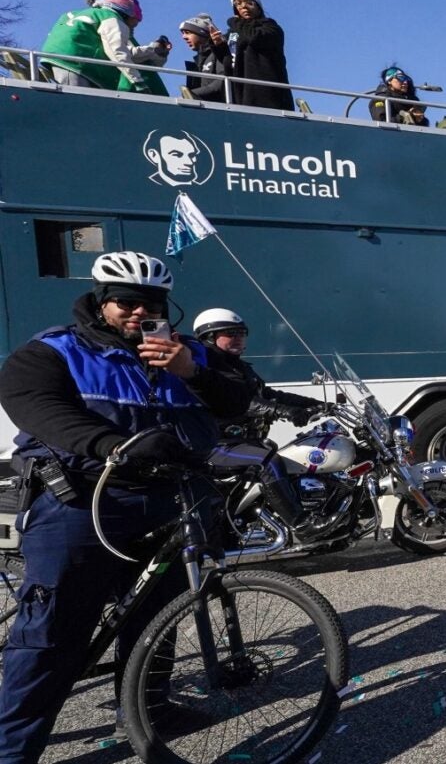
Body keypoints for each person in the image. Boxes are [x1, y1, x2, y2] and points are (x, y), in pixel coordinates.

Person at [0, 251, 254, 761]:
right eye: (126, 302)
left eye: (152, 303)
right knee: (52, 636)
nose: (139, 312)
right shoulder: (57, 350)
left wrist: (193, 371)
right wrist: (111, 445)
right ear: (101, 303)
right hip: (81, 501)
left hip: (167, 502)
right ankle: (13, 750)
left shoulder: (182, 352)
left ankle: (147, 710)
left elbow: (240, 396)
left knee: (156, 618)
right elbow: (31, 400)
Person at [192, 309, 338, 533]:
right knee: (266, 461)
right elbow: (243, 403)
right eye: (231, 333)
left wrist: (314, 404)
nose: (239, 338)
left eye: (242, 333)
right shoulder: (209, 370)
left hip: (240, 441)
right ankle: (301, 524)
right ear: (209, 337)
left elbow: (269, 395)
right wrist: (286, 412)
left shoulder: (236, 366)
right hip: (217, 445)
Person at [40, 0, 169, 95]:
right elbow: (117, 52)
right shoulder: (112, 18)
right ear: (127, 14)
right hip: (74, 62)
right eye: (136, 20)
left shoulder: (81, 14)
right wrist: (137, 81)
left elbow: (122, 52)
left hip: (57, 56)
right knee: (78, 106)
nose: (135, 26)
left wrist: (152, 50)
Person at [225, 0, 293, 110]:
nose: (243, 7)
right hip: (240, 89)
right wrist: (218, 45)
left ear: (258, 6)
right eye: (238, 3)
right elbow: (228, 59)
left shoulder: (271, 28)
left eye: (248, 3)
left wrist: (234, 22)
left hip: (265, 92)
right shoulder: (235, 32)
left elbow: (253, 37)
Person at [178, 13, 230, 102]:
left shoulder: (219, 53)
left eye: (188, 33)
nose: (184, 37)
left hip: (221, 109)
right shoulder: (199, 61)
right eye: (183, 33)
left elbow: (223, 81)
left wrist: (192, 94)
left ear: (202, 33)